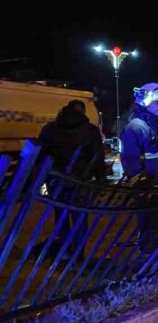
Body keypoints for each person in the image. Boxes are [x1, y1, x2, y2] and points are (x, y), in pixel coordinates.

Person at [35, 100, 106, 260]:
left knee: (60, 215)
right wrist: (101, 180)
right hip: (80, 181)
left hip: (56, 180)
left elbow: (40, 155)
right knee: (80, 218)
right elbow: (98, 157)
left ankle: (66, 250)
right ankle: (78, 253)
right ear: (83, 112)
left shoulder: (50, 129)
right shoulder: (90, 131)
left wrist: (42, 178)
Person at [120, 83, 158, 182]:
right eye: (156, 102)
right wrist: (142, 187)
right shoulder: (134, 128)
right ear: (145, 102)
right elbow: (131, 163)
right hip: (149, 190)